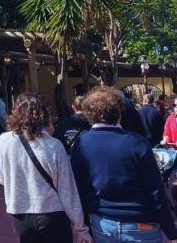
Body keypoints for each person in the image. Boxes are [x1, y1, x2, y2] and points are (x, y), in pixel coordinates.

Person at [71, 87, 177, 243]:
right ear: (119, 112)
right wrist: (171, 231)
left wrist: (84, 227)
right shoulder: (137, 143)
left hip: (102, 223)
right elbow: (155, 191)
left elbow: (79, 188)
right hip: (140, 223)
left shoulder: (81, 144)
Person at [0, 93, 90, 243]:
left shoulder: (4, 141)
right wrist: (80, 227)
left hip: (20, 214)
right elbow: (67, 189)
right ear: (44, 116)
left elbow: (0, 176)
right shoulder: (54, 145)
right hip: (52, 213)